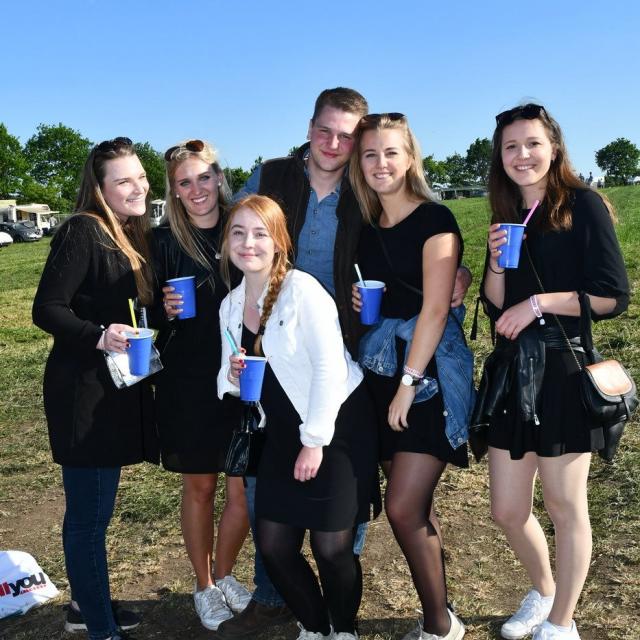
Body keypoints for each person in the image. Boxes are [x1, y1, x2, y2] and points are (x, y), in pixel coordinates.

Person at [222, 87, 472, 639]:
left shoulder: (366, 194)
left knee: (350, 499)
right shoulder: (273, 177)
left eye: (348, 137)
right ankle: (276, 595)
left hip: (353, 357)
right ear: (309, 128)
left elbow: (425, 247)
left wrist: (459, 273)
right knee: (279, 491)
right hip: (285, 357)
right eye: (324, 131)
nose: (334, 144)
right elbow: (230, 229)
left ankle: (344, 608)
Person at [480, 103, 629, 640]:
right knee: (506, 509)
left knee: (566, 504)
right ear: (500, 157)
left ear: (554, 147)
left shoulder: (582, 206)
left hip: (563, 368)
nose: (522, 155)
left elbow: (613, 296)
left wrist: (540, 303)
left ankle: (562, 622)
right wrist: (495, 261)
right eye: (511, 146)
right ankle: (544, 591)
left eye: (533, 143)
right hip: (513, 374)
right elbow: (495, 307)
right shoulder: (507, 212)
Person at [217, 194, 379, 640]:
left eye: (259, 233)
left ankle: (343, 630)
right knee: (273, 546)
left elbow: (329, 368)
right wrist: (232, 376)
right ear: (227, 242)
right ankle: (315, 625)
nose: (248, 243)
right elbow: (227, 381)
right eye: (238, 233)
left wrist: (314, 441)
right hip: (280, 433)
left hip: (336, 425)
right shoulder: (230, 306)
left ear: (279, 242)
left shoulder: (302, 291)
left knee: (332, 548)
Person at [32, 137, 160, 640]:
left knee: (95, 511)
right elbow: (47, 308)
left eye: (141, 176)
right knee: (88, 516)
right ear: (101, 189)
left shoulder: (126, 232)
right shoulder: (84, 230)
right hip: (83, 395)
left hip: (111, 392)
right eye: (123, 180)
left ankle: (86, 606)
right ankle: (100, 627)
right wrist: (100, 335)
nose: (138, 186)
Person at [350, 113, 469, 640]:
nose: (380, 163)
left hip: (426, 376)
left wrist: (408, 383)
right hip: (377, 371)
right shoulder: (365, 228)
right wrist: (359, 303)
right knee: (416, 506)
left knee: (401, 508)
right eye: (370, 154)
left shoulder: (435, 220)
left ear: (410, 158)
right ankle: (441, 612)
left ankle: (440, 626)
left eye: (391, 152)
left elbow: (436, 309)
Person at [150, 139, 251, 630]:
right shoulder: (163, 241)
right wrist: (161, 310)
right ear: (173, 190)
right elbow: (140, 310)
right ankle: (204, 585)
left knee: (243, 488)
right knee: (201, 485)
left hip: (242, 373)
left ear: (219, 177)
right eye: (184, 182)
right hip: (187, 380)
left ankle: (225, 573)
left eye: (204, 177)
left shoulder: (241, 225)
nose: (197, 190)